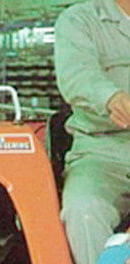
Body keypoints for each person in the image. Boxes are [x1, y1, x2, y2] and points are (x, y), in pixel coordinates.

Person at [55, 0, 130, 263]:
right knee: (83, 209)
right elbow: (77, 74)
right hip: (102, 152)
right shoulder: (79, 20)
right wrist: (111, 98)